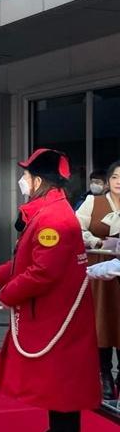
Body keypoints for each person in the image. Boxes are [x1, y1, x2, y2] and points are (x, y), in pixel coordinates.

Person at [0, 148, 101, 432]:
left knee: (63, 385)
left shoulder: (53, 219)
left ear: (38, 180)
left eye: (26, 176)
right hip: (52, 315)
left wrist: (6, 293)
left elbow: (42, 272)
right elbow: (25, 262)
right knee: (55, 383)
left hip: (57, 318)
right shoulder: (47, 213)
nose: (22, 181)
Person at [75, 159, 120, 400]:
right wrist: (97, 242)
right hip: (100, 272)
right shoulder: (94, 202)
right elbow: (74, 228)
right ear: (108, 181)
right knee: (102, 322)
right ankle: (104, 375)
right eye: (115, 177)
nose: (119, 182)